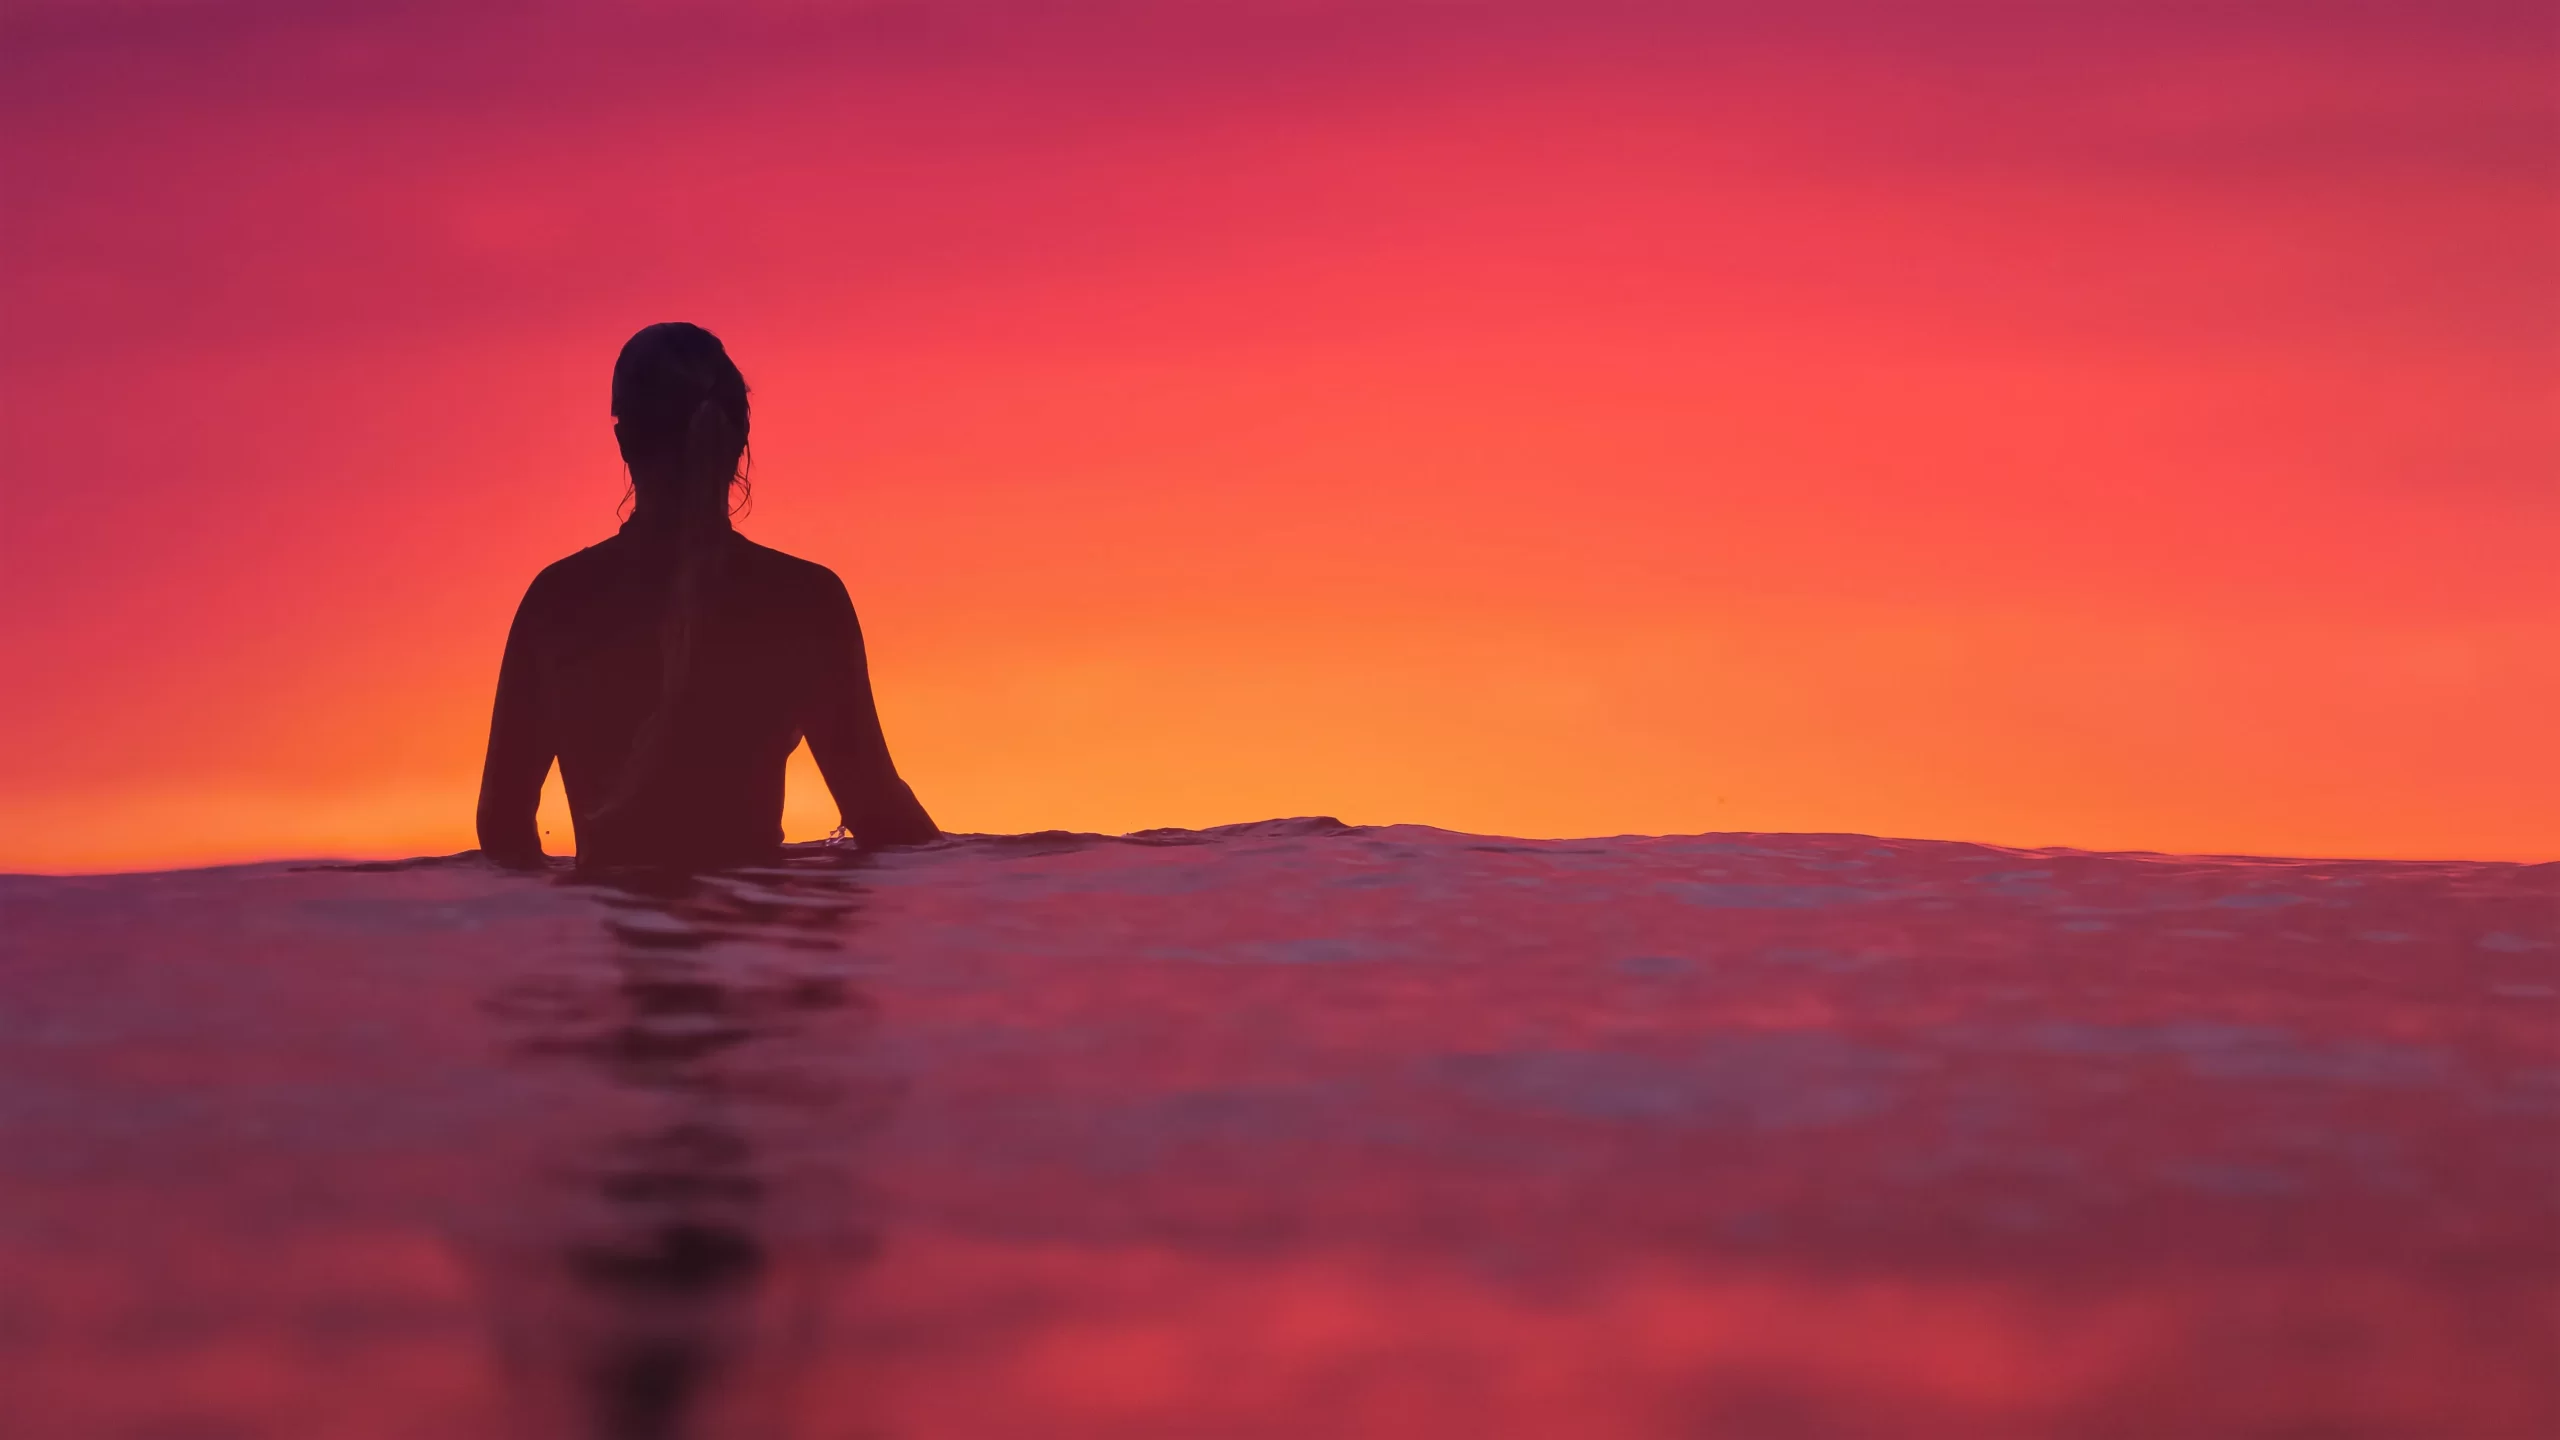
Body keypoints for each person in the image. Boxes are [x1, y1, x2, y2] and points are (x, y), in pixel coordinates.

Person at [476, 322, 937, 868]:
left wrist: (564, 938)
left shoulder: (557, 599)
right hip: (752, 941)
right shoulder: (804, 599)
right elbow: (878, 811)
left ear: (624, 442)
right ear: (739, 439)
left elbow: (502, 823)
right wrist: (988, 886)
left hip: (610, 942)